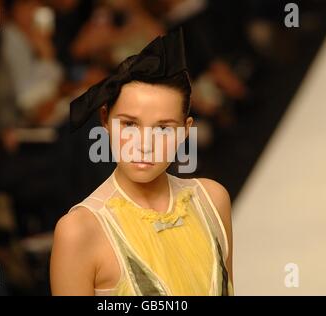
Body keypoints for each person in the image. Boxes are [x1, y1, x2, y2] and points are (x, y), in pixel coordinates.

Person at [50, 29, 234, 296]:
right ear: (105, 120)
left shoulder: (212, 199)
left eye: (163, 129)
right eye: (130, 124)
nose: (144, 145)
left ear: (185, 131)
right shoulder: (79, 231)